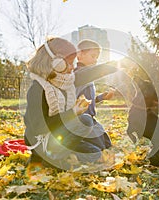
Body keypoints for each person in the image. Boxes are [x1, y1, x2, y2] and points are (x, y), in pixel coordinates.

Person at [24, 37, 103, 170]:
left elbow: (88, 74)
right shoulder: (38, 88)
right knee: (85, 121)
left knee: (95, 154)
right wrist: (72, 113)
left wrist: (116, 67)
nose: (73, 67)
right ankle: (48, 157)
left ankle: (56, 158)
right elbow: (39, 128)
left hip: (59, 137)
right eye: (69, 63)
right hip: (42, 141)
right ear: (56, 63)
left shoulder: (64, 82)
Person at [74, 39, 114, 150]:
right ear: (80, 54)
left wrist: (102, 97)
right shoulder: (78, 74)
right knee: (100, 148)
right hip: (80, 120)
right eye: (93, 56)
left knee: (107, 145)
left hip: (91, 119)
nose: (95, 60)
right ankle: (75, 143)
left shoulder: (88, 76)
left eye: (97, 57)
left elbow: (87, 99)